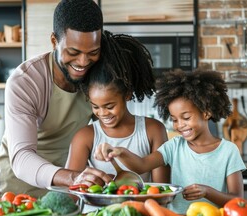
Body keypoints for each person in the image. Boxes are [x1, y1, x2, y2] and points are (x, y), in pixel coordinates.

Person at [0, 0, 112, 197]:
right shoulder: (25, 81)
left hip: (71, 184)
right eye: (73, 52)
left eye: (93, 52)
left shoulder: (98, 74)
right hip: (21, 189)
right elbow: (22, 157)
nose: (83, 62)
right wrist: (73, 177)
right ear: (54, 41)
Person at [95, 69, 247, 214]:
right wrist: (120, 152)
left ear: (206, 112)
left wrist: (207, 192)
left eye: (186, 118)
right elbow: (141, 165)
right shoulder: (174, 146)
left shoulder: (228, 150)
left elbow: (238, 200)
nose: (179, 125)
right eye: (174, 120)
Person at [66, 31, 170, 184]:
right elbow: (72, 192)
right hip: (94, 209)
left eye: (109, 106)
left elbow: (161, 189)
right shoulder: (85, 137)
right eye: (95, 106)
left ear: (127, 94)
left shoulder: (153, 130)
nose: (102, 113)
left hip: (143, 208)